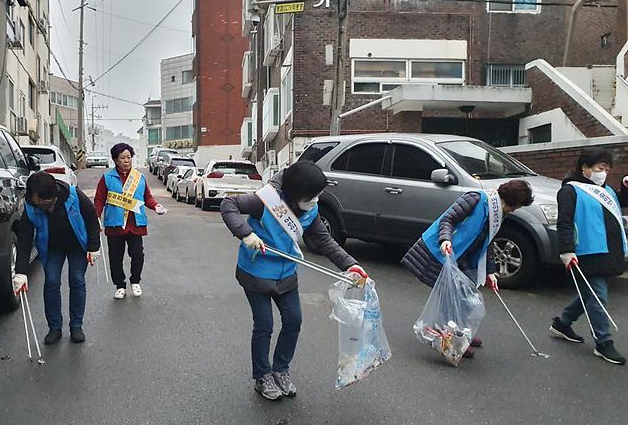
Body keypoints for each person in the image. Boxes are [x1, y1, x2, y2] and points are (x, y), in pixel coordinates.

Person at [221, 161, 368, 401]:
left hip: (286, 274)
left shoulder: (310, 210)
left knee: (293, 320)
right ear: (297, 193)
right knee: (264, 325)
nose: (316, 200)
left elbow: (325, 241)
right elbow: (229, 204)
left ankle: (280, 370)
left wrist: (350, 264)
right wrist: (246, 233)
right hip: (256, 273)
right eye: (313, 195)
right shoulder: (265, 200)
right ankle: (262, 375)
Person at [401, 180, 534, 358]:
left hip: (466, 258)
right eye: (516, 206)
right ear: (510, 201)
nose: (515, 210)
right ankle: (448, 338)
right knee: (452, 297)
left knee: (466, 299)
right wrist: (445, 239)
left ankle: (460, 333)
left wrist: (490, 272)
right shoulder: (476, 199)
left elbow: (489, 241)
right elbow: (448, 219)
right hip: (444, 251)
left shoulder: (500, 213)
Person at [549, 148, 628, 364]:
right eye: (599, 168)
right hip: (586, 251)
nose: (604, 172)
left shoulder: (606, 190)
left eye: (606, 169)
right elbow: (564, 222)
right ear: (585, 168)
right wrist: (566, 250)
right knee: (598, 296)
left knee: (590, 293)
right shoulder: (570, 191)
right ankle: (603, 342)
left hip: (608, 250)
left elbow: (619, 203)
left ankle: (562, 323)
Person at [14, 171, 101, 344]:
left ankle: (76, 326)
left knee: (77, 280)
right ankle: (54, 327)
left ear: (53, 196)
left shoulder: (74, 196)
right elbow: (24, 239)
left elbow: (92, 218)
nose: (37, 204)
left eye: (41, 201)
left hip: (77, 245)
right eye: (34, 200)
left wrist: (93, 247)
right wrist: (21, 272)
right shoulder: (32, 207)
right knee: (52, 282)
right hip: (52, 247)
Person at [94, 143, 167, 299]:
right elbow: (99, 199)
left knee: (137, 254)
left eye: (129, 157)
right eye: (122, 158)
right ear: (115, 160)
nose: (126, 161)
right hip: (115, 223)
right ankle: (120, 285)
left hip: (135, 223)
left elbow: (147, 197)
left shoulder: (139, 177)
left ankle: (135, 281)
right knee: (115, 256)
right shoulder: (107, 177)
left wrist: (156, 206)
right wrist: (96, 216)